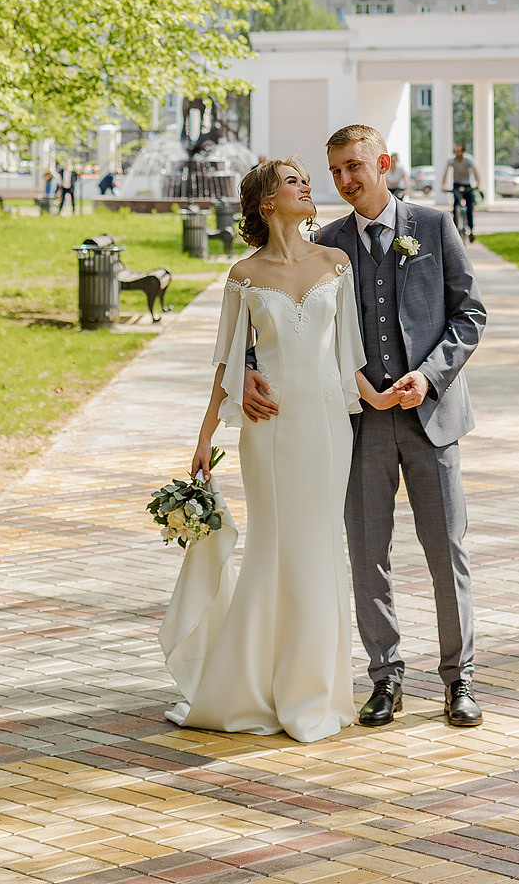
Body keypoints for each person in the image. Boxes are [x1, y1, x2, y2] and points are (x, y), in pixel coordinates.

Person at [246, 124, 487, 731]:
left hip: (431, 417)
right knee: (366, 554)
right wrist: (249, 369)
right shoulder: (325, 245)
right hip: (356, 426)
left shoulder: (433, 227)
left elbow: (471, 313)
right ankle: (386, 676)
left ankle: (459, 678)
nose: (346, 181)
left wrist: (429, 377)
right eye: (336, 173)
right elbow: (274, 314)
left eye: (355, 167)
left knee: (446, 550)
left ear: (384, 163)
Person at [160, 158, 397, 742]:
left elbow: (350, 359)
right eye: (294, 181)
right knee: (273, 547)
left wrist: (387, 400)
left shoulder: (335, 264)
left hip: (326, 430)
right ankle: (249, 686)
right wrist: (204, 437)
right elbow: (226, 359)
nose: (307, 186)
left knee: (318, 548)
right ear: (267, 202)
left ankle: (314, 689)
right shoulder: (243, 275)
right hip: (267, 432)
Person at [442, 143, 479, 240]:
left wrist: (477, 184)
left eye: (459, 151)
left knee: (469, 207)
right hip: (457, 183)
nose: (457, 153)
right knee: (455, 205)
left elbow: (475, 172)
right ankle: (454, 228)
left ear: (463, 152)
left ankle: (471, 230)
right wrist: (443, 185)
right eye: (456, 151)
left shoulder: (469, 159)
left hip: (467, 184)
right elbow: (445, 172)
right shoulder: (451, 160)